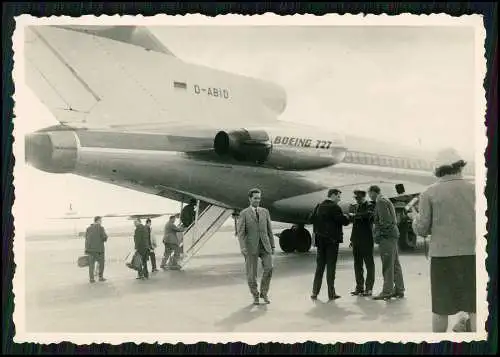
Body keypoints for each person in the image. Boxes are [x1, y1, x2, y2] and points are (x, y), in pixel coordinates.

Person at [408, 148, 476, 332]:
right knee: (474, 307)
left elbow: (422, 229)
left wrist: (413, 218)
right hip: (472, 255)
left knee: (441, 309)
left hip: (442, 257)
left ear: (438, 170)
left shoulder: (428, 193)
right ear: (460, 166)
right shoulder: (475, 189)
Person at [309, 188, 350, 301]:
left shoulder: (318, 206)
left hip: (320, 241)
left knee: (319, 267)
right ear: (332, 195)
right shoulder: (335, 207)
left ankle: (314, 292)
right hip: (332, 242)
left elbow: (311, 219)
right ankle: (331, 293)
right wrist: (348, 216)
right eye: (338, 196)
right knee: (331, 268)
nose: (339, 199)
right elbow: (343, 221)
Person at [237, 188, 275, 305]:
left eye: (259, 198)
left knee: (269, 268)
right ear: (250, 199)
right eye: (255, 198)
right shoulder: (244, 213)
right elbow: (241, 232)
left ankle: (264, 293)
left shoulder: (265, 212)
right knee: (251, 274)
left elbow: (269, 230)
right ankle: (255, 295)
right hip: (250, 246)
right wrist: (243, 247)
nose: (258, 200)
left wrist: (272, 245)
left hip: (265, 245)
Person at [368, 185, 405, 300]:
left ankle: (387, 291)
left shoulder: (380, 201)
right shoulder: (385, 199)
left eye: (369, 193)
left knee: (388, 264)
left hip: (387, 237)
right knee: (395, 263)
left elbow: (386, 221)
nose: (369, 196)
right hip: (392, 236)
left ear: (373, 192)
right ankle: (399, 289)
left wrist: (379, 235)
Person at [348, 189, 376, 297]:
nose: (357, 199)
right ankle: (359, 287)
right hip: (356, 240)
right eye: (355, 198)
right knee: (357, 264)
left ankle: (369, 288)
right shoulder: (356, 207)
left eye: (358, 197)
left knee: (369, 264)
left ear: (363, 197)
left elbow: (368, 216)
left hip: (367, 240)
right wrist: (351, 239)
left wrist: (354, 215)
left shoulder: (370, 205)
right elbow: (355, 226)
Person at [84, 216, 108, 283]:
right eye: (101, 220)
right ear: (98, 220)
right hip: (99, 250)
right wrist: (106, 237)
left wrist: (86, 249)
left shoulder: (88, 228)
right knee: (101, 264)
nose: (101, 222)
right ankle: (100, 277)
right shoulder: (101, 228)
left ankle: (91, 279)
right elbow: (104, 238)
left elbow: (86, 239)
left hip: (90, 250)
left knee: (91, 265)